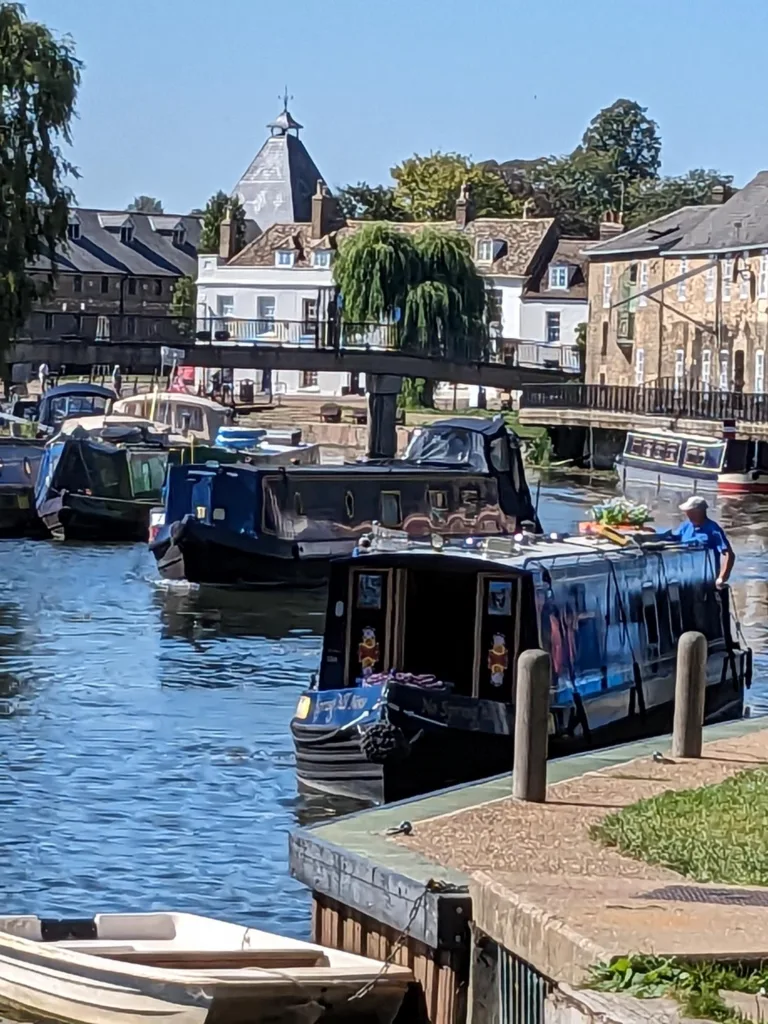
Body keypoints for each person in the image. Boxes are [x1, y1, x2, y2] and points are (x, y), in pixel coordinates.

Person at [667, 496, 735, 589]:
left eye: (689, 511)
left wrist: (721, 578)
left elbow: (729, 554)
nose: (687, 514)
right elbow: (671, 539)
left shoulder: (713, 529)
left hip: (706, 579)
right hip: (685, 577)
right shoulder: (686, 526)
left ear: (699, 512)